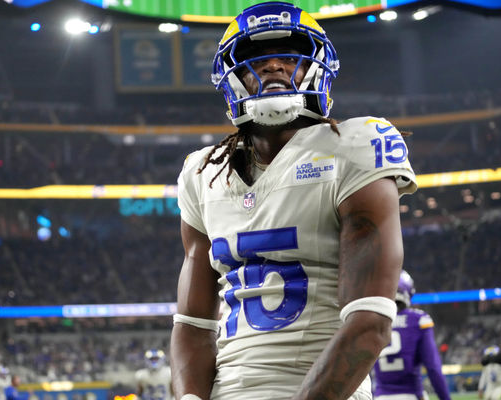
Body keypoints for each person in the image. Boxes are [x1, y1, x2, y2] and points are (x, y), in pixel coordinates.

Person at [170, 2, 417, 400]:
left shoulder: (354, 147)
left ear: (315, 68)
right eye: (257, 58)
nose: (273, 67)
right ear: (231, 79)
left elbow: (369, 320)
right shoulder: (203, 173)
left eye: (288, 56)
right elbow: (193, 325)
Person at [372, 270, 451, 400]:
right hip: (411, 394)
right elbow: (433, 369)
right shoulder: (419, 320)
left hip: (380, 396)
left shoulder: (375, 322)